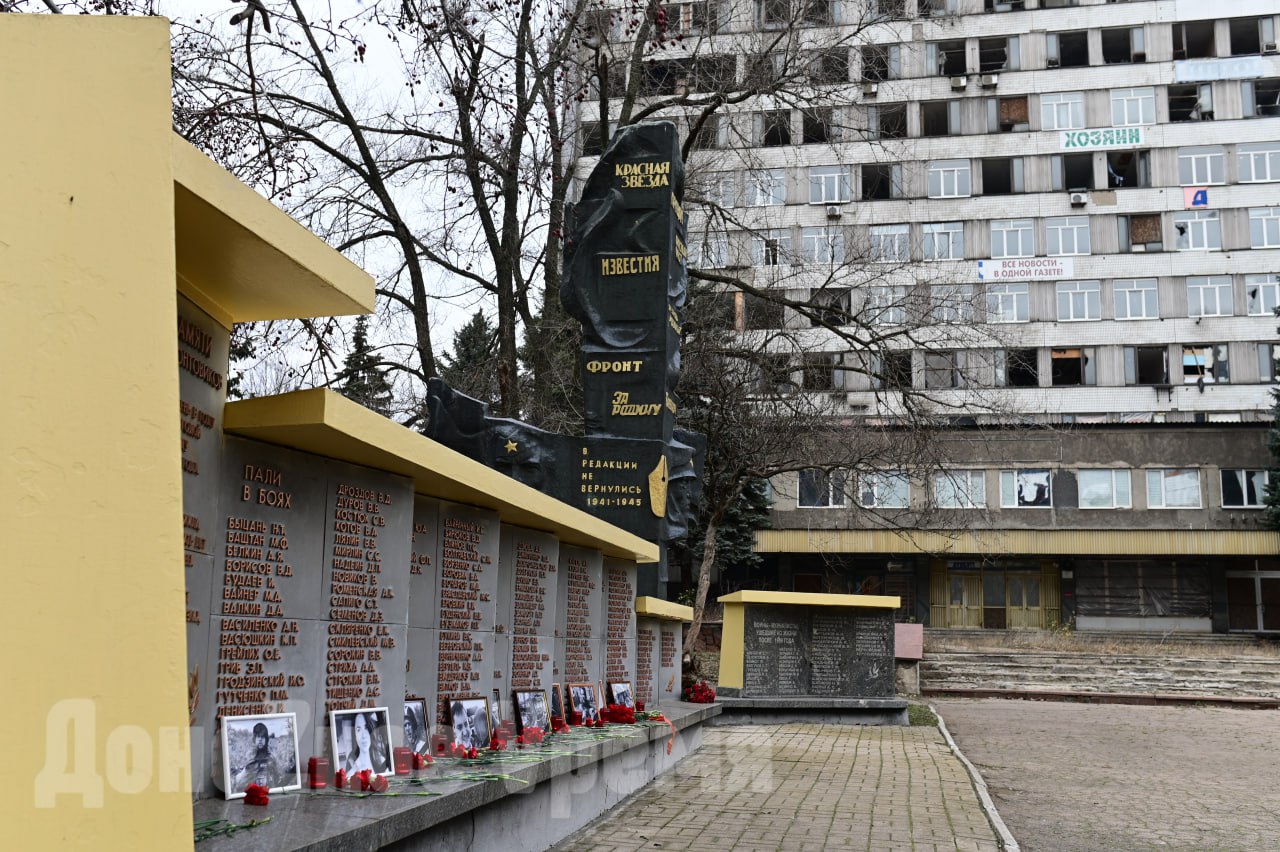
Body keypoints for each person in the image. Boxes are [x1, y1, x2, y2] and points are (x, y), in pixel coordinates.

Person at [232, 721, 280, 793]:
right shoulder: (249, 756)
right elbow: (239, 782)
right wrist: (247, 769)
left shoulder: (271, 758)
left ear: (266, 739)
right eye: (258, 737)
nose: (260, 740)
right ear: (254, 739)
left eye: (262, 737)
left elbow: (277, 778)